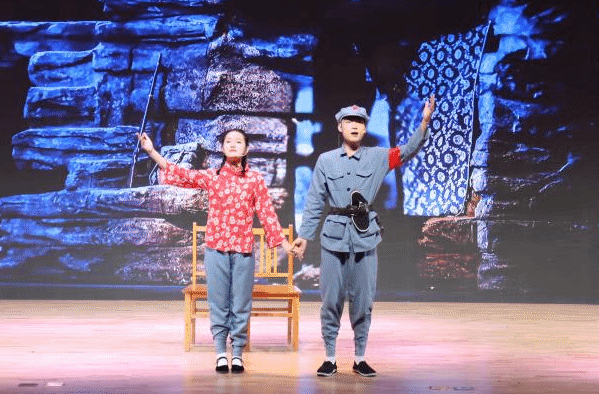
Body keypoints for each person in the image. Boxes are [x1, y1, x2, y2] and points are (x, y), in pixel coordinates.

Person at [291, 95, 436, 378]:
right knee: (330, 300)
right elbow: (314, 200)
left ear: (365, 128)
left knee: (363, 301)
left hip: (365, 236)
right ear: (340, 127)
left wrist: (424, 123)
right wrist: (304, 236)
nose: (355, 126)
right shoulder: (326, 161)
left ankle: (359, 358)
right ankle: (330, 358)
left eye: (359, 122)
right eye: (349, 121)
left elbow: (407, 151)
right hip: (333, 237)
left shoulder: (378, 156)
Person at [138, 128, 296, 374]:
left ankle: (238, 353)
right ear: (222, 148)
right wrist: (152, 152)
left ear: (246, 148)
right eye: (228, 141)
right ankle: (221, 352)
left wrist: (285, 244)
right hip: (216, 249)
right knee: (218, 302)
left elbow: (267, 214)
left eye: (238, 142)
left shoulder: (255, 180)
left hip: (243, 250)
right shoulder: (212, 176)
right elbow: (181, 173)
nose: (233, 145)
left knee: (241, 304)